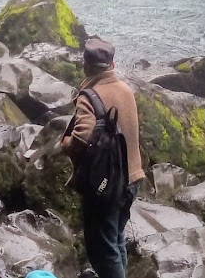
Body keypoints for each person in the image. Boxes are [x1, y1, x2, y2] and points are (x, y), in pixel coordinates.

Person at [60, 38, 146, 278]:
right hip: (132, 177)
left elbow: (83, 136)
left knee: (102, 250)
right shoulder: (126, 90)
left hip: (106, 185)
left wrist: (65, 144)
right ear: (112, 64)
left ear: (85, 65)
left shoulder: (90, 95)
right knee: (116, 238)